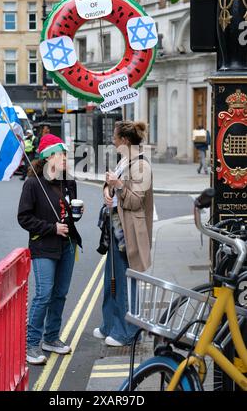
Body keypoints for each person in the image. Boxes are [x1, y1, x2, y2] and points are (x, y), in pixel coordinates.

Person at [17, 134, 83, 364]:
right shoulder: (33, 183)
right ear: (48, 158)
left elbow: (68, 213)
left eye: (65, 154)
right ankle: (31, 344)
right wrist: (51, 228)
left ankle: (51, 338)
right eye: (60, 154)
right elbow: (24, 218)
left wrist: (76, 216)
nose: (65, 158)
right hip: (44, 245)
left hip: (67, 245)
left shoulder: (69, 181)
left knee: (60, 294)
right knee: (44, 294)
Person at [94, 121, 153, 347]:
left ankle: (128, 332)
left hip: (128, 232)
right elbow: (111, 188)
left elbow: (135, 201)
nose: (113, 140)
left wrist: (117, 185)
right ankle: (109, 324)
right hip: (116, 228)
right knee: (111, 279)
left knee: (126, 282)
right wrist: (107, 192)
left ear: (125, 141)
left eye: (115, 137)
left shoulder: (141, 166)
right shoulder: (125, 161)